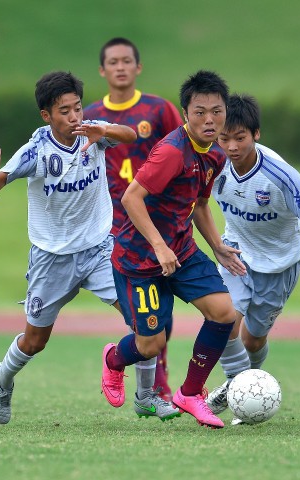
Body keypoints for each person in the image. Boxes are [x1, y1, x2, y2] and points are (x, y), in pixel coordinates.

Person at [0, 71, 160, 425]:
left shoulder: (92, 131)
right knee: (34, 342)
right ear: (47, 116)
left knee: (144, 323)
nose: (75, 116)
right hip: (52, 259)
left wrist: (104, 130)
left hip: (100, 251)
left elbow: (131, 135)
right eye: (65, 111)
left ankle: (147, 397)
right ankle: (2, 378)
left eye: (77, 108)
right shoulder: (37, 150)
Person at [100, 70, 247, 429]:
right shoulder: (170, 152)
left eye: (216, 111)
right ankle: (114, 360)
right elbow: (131, 197)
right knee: (150, 344)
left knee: (224, 313)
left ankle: (190, 394)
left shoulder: (214, 155)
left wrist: (218, 247)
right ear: (185, 113)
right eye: (200, 112)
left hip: (181, 250)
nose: (209, 119)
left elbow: (198, 205)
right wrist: (158, 246)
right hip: (140, 258)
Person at [204, 94, 300, 423]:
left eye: (240, 138)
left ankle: (240, 384)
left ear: (256, 134)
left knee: (254, 338)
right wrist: (216, 243)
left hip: (279, 266)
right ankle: (236, 386)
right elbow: (193, 202)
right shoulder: (211, 163)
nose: (231, 146)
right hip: (236, 253)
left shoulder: (279, 174)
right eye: (224, 138)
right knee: (225, 315)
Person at [84, 37, 183, 406]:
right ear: (103, 70)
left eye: (127, 60)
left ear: (138, 67)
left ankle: (157, 381)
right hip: (114, 228)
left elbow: (183, 152)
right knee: (145, 312)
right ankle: (155, 387)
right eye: (113, 62)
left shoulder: (159, 111)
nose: (121, 67)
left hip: (158, 224)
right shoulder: (91, 114)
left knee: (164, 310)